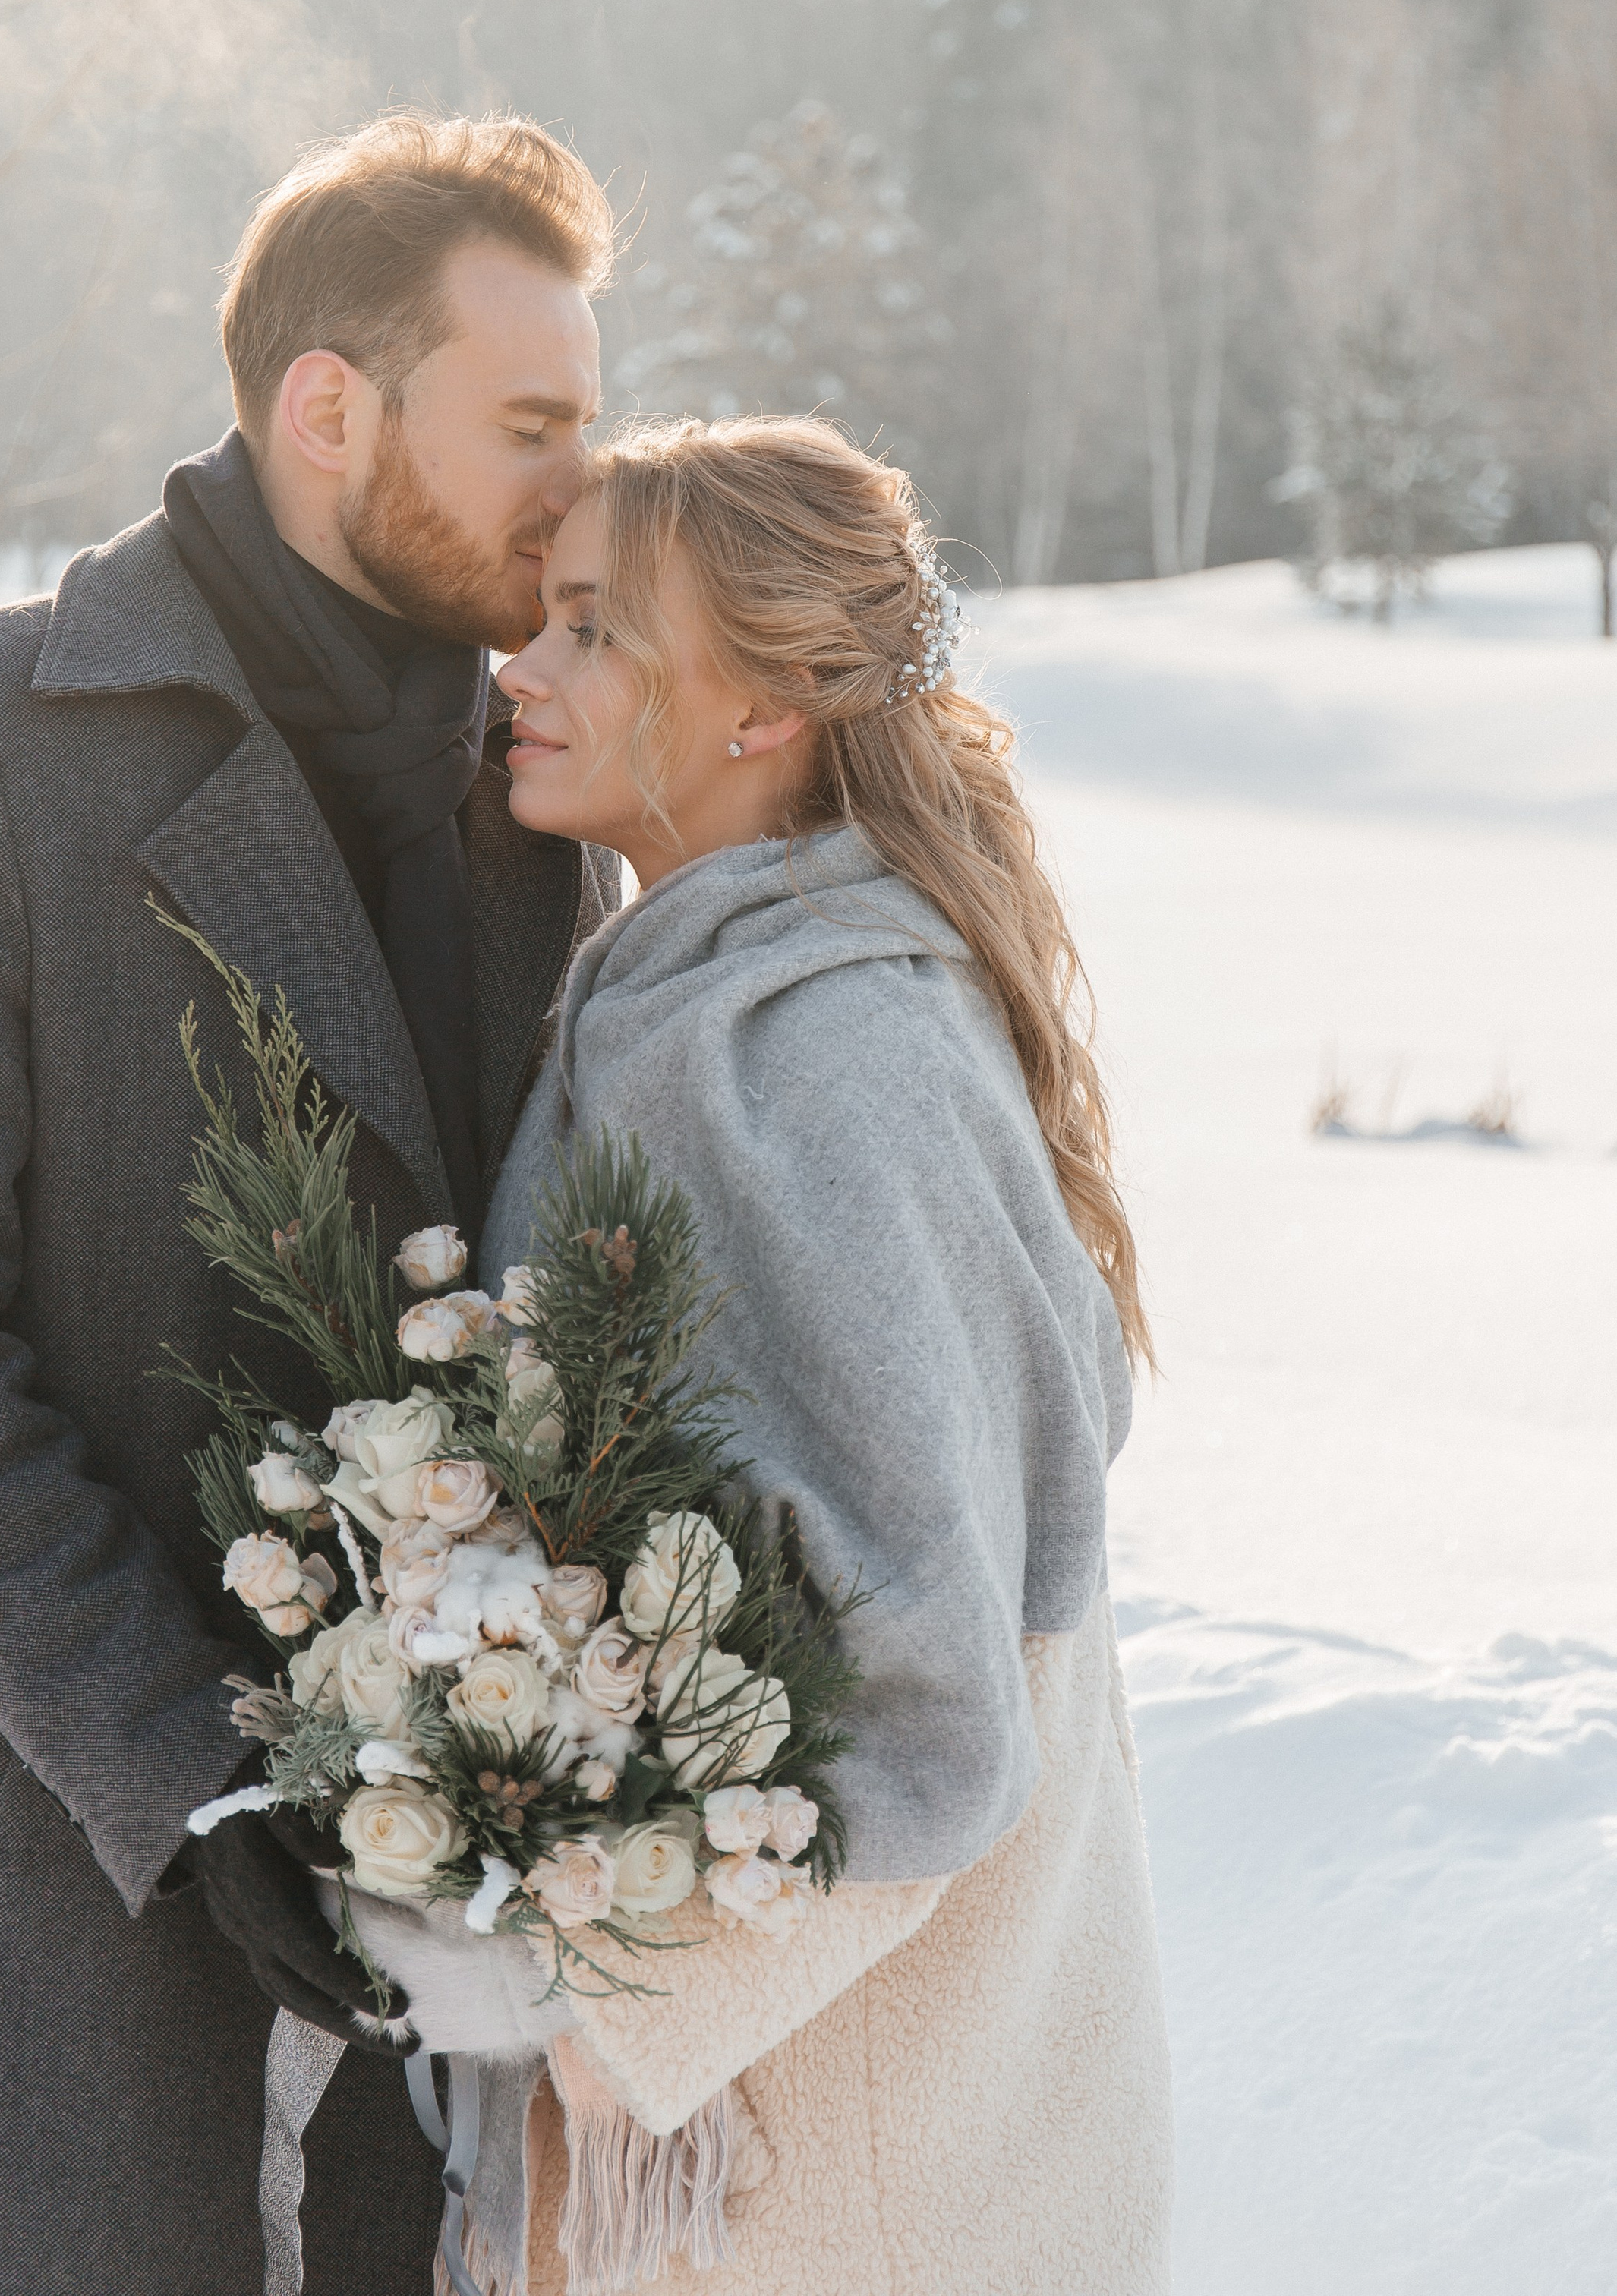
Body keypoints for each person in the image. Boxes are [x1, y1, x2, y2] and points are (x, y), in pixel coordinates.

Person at [0, 114, 620, 2296]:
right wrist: (201, 1778)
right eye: (532, 426)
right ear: (330, 408)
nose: (580, 490)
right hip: (47, 1902)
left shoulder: (541, 800)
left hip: (429, 1985)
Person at [468, 413, 1173, 2294]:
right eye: (540, 619)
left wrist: (602, 2000)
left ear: (761, 708)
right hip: (791, 2142)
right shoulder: (699, 992)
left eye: (595, 631)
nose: (523, 671)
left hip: (858, 2176)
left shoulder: (831, 1064)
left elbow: (932, 1690)